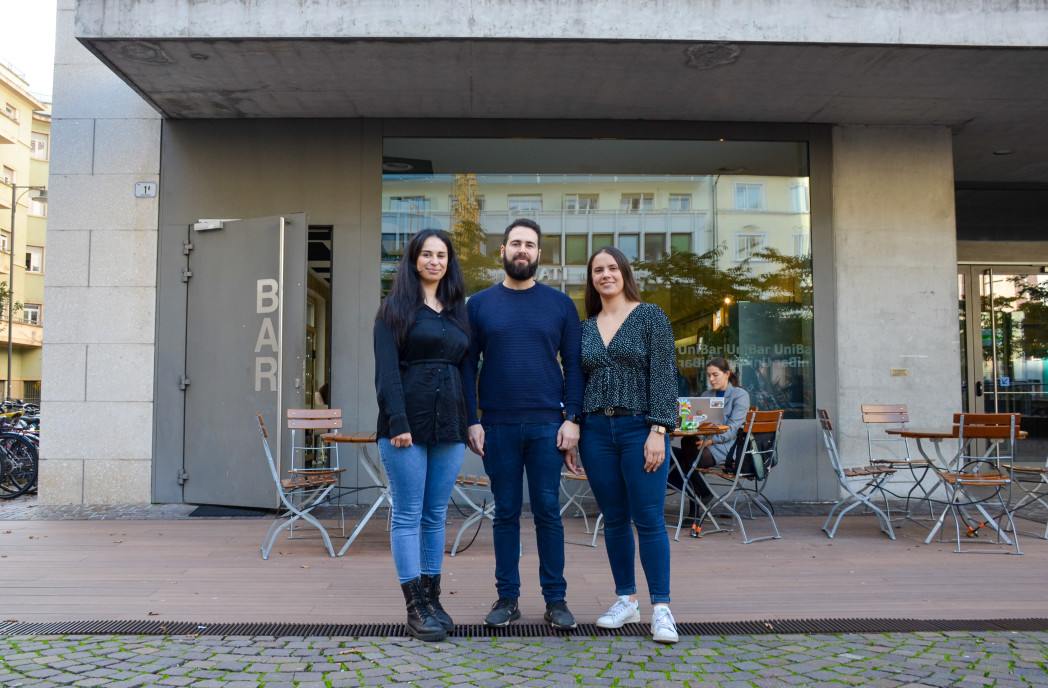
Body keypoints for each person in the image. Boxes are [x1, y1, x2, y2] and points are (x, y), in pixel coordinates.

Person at [466, 218, 584, 631]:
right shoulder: (478, 305)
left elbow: (574, 365)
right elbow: (467, 367)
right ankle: (507, 598)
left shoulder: (560, 305)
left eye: (529, 245)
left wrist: (573, 420)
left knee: (549, 513)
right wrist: (472, 420)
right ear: (502, 251)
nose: (522, 250)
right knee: (506, 514)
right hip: (496, 425)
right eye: (515, 243)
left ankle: (556, 600)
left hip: (547, 426)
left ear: (539, 255)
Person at [566, 246, 680, 644]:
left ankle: (661, 609)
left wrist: (659, 429)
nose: (605, 275)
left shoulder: (650, 316)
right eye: (598, 269)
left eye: (612, 267)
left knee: (648, 518)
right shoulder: (584, 327)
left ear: (624, 272)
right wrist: (575, 426)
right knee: (613, 518)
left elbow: (665, 375)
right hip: (597, 432)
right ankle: (626, 599)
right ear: (592, 279)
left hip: (639, 429)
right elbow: (576, 384)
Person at [373, 229, 475, 642]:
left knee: (436, 514)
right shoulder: (393, 310)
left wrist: (473, 420)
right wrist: (398, 421)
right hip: (407, 426)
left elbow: (469, 369)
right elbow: (386, 371)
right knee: (408, 513)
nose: (435, 261)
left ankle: (433, 600)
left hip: (450, 424)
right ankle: (414, 607)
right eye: (427, 254)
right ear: (413, 259)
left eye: (442, 255)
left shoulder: (456, 310)